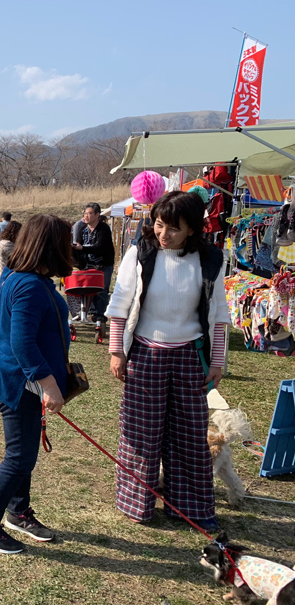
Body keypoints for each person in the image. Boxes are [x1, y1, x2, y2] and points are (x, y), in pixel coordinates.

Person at [105, 191, 229, 532]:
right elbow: (119, 304)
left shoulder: (210, 258)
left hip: (189, 356)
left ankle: (188, 507)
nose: (164, 234)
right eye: (160, 225)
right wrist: (117, 351)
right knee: (141, 433)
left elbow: (218, 316)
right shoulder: (140, 252)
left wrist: (216, 362)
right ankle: (137, 503)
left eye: (174, 228)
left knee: (189, 434)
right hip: (146, 355)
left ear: (192, 228)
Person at [0, 215, 74, 554]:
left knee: (25, 453)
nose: (70, 247)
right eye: (65, 241)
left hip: (25, 383)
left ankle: (17, 510)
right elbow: (22, 344)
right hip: (20, 384)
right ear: (50, 246)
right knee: (19, 457)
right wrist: (49, 385)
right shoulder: (28, 284)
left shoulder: (27, 278)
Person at [71, 203, 115, 323]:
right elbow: (78, 244)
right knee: (87, 289)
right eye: (85, 213)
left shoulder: (103, 229)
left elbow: (100, 247)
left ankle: (100, 315)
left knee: (102, 290)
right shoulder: (82, 228)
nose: (87, 216)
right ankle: (90, 312)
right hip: (87, 265)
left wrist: (82, 248)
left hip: (103, 264)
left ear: (97, 215)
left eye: (90, 213)